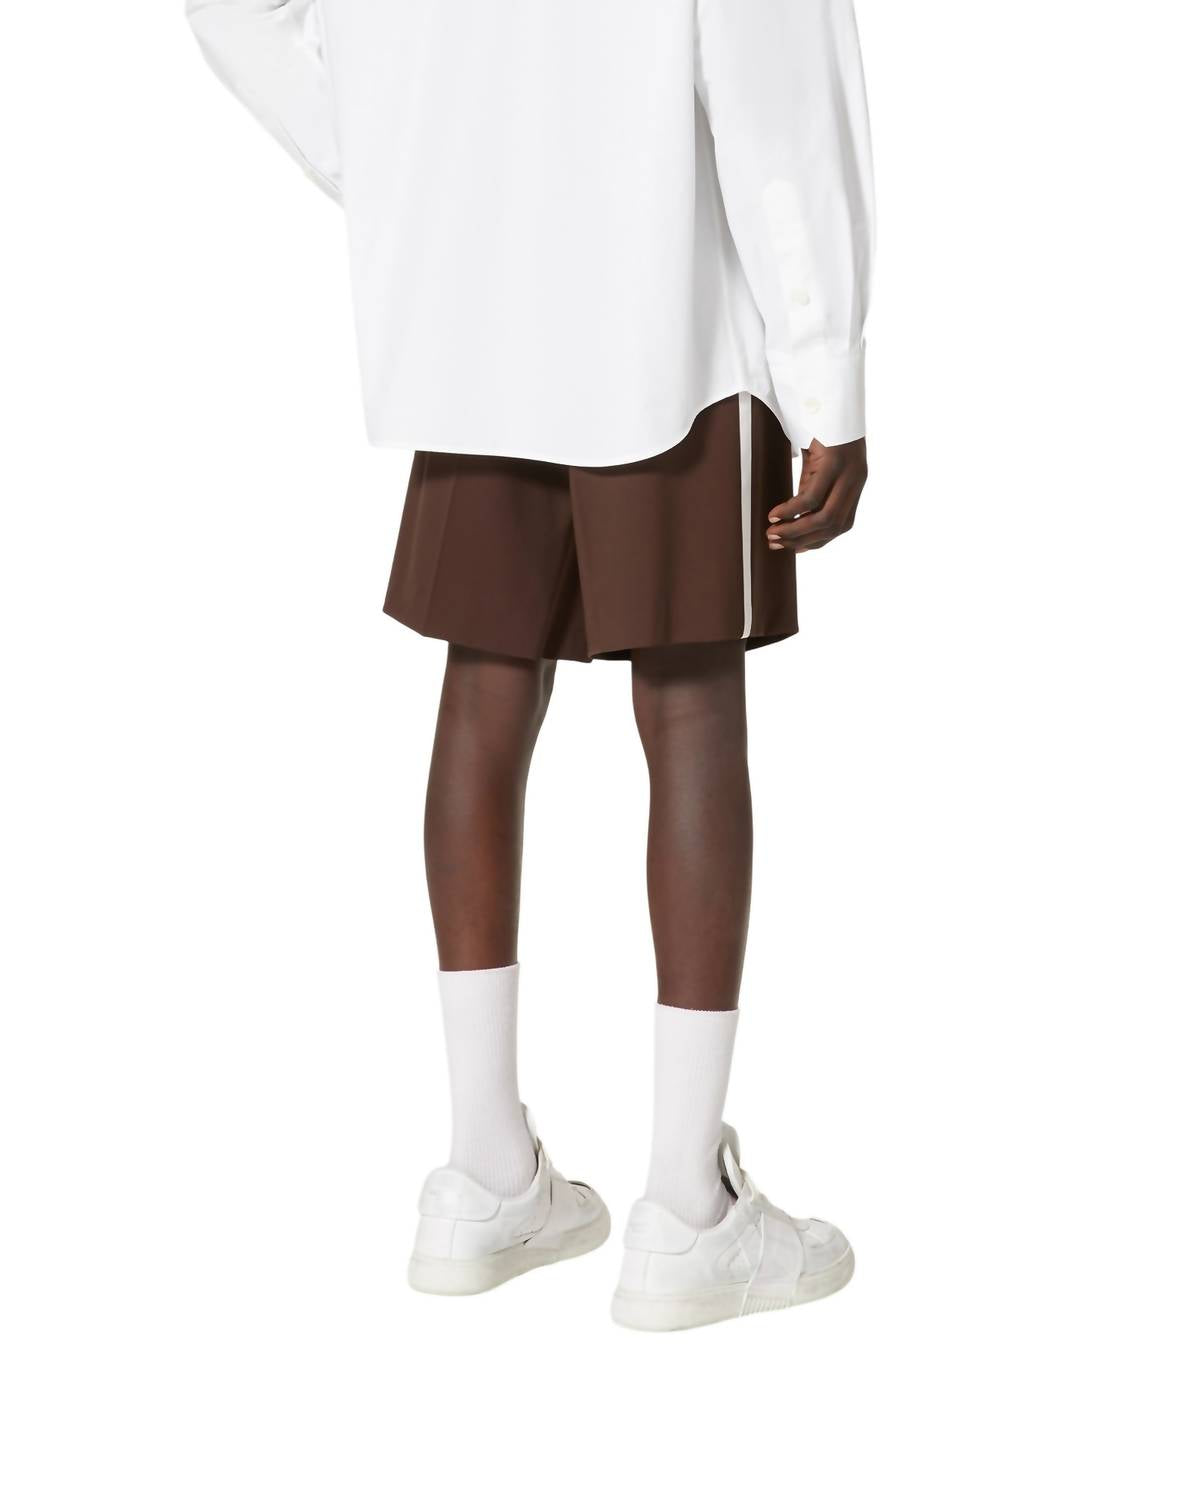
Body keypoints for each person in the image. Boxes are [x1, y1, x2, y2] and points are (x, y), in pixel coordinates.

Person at [188, 0, 875, 1332]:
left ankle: (483, 1173)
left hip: (473, 299)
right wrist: (825, 369)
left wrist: (408, 161)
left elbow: (232, 10)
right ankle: (686, 1208)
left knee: (485, 681)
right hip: (669, 304)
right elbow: (777, 92)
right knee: (689, 703)